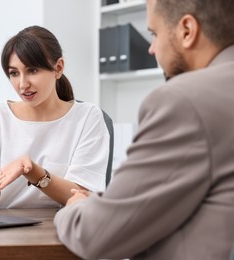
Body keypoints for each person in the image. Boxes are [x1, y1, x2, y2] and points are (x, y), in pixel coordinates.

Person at [54, 0, 234, 259]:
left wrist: (74, 207)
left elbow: (95, 234)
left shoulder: (185, 101)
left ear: (187, 30)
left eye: (154, 34)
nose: (151, 49)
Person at [0, 25, 110, 209]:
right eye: (14, 73)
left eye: (32, 70)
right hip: (0, 234)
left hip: (60, 229)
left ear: (58, 68)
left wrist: (33, 171)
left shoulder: (88, 118)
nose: (22, 84)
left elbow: (80, 199)